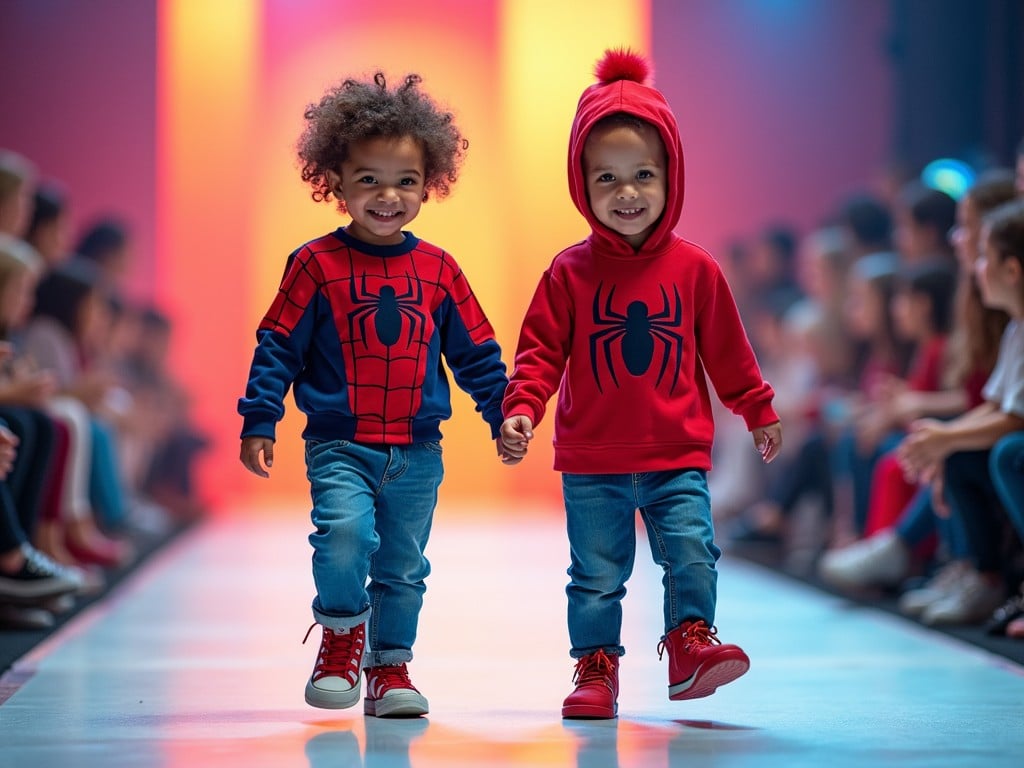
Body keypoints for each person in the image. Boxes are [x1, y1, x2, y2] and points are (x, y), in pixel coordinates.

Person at [499, 49, 782, 720]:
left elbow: (727, 352)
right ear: (583, 183)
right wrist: (522, 407)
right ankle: (596, 667)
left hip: (676, 453)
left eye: (644, 176)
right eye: (608, 179)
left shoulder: (696, 271)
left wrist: (757, 407)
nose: (628, 194)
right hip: (592, 460)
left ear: (672, 176)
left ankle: (689, 643)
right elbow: (539, 351)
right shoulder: (567, 274)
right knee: (595, 576)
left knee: (693, 553)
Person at [237, 70, 508, 717]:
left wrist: (504, 414)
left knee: (405, 567)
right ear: (334, 180)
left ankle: (390, 669)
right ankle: (339, 635)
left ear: (429, 183)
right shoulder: (313, 264)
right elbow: (277, 343)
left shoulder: (440, 269)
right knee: (343, 537)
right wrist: (260, 417)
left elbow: (476, 351)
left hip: (418, 450)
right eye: (369, 180)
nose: (388, 195)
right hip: (339, 442)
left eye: (406, 181)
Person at [898, 199, 1024, 626]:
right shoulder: (1013, 329)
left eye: (986, 256)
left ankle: (995, 575)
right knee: (956, 453)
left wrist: (946, 437)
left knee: (1007, 453)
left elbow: (1015, 418)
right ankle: (978, 572)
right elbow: (996, 403)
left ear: (1012, 271)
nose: (976, 266)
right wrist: (941, 438)